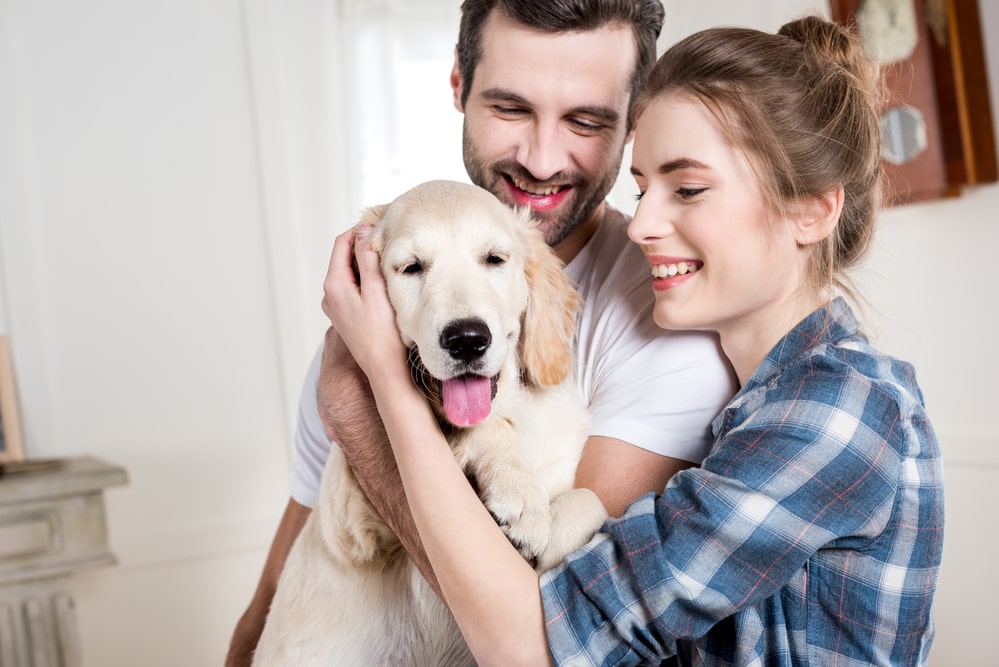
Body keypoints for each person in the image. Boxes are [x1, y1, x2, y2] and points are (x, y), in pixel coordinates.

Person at [323, 14, 945, 666]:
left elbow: (536, 646)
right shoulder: (760, 401)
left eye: (687, 189)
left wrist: (384, 387)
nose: (642, 224)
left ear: (811, 210)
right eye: (642, 188)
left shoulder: (835, 409)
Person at [225, 1, 738, 664]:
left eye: (585, 119)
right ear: (458, 87)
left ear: (634, 119)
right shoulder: (381, 292)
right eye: (510, 108)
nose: (542, 159)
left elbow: (547, 633)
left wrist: (367, 406)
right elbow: (281, 588)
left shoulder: (666, 326)